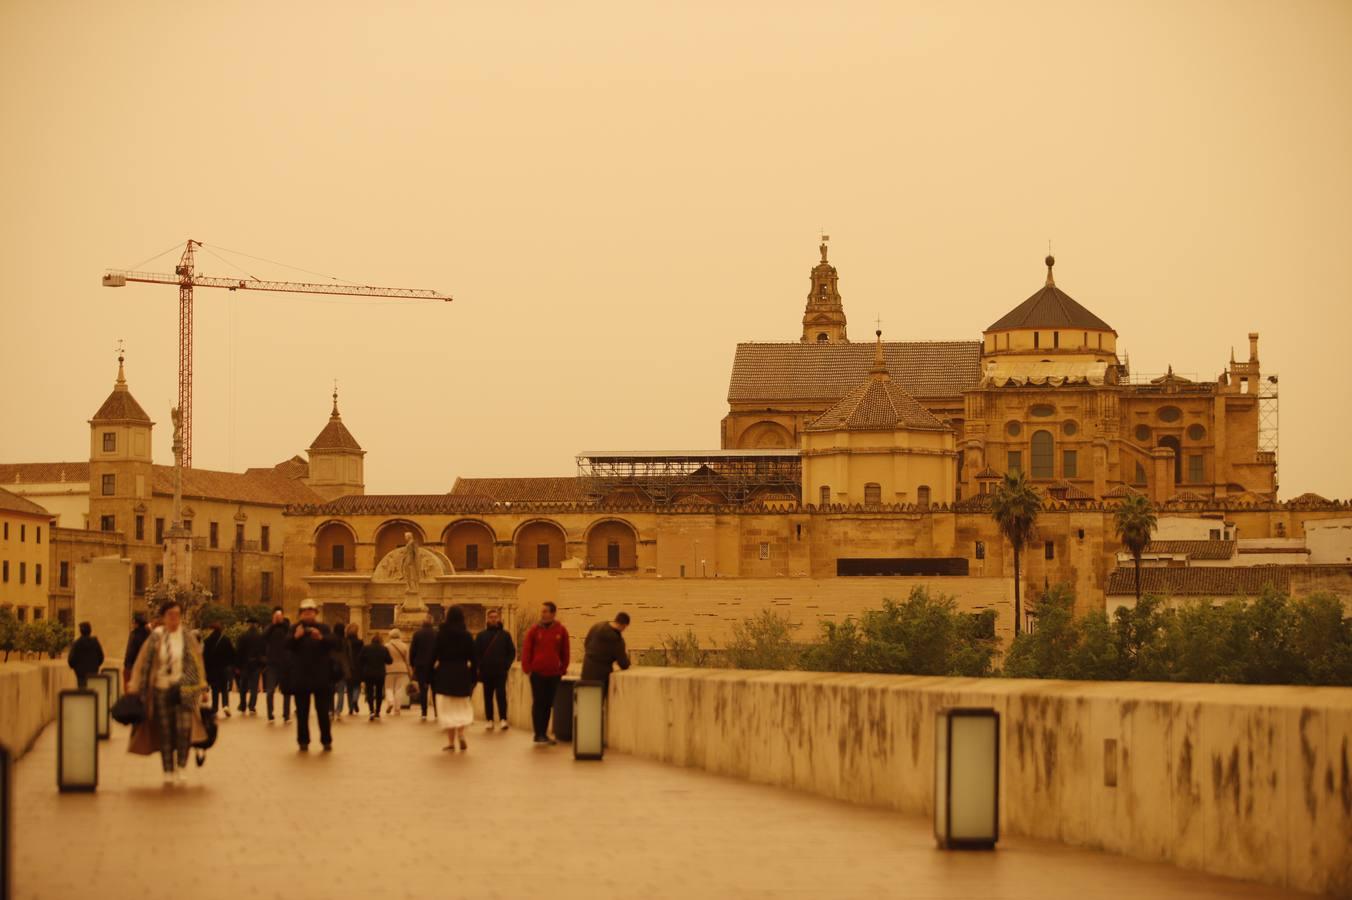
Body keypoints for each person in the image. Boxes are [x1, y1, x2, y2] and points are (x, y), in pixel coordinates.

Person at [126, 599, 209, 785]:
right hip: (161, 689)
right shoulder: (156, 637)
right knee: (165, 731)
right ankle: (168, 769)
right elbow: (142, 662)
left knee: (183, 729)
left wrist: (203, 687)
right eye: (171, 615)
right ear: (163, 617)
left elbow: (197, 663)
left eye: (177, 615)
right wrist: (135, 686)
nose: (174, 619)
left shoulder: (187, 637)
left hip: (183, 689)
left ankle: (181, 766)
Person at [287, 599, 336, 752]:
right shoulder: (295, 628)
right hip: (301, 677)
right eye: (305, 612)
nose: (308, 614)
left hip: (321, 677)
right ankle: (303, 741)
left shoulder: (323, 628)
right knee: (302, 713)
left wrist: (321, 638)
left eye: (311, 611)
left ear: (316, 613)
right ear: (300, 614)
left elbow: (335, 644)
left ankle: (326, 740)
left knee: (323, 712)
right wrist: (296, 637)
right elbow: (286, 645)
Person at [521, 601, 570, 746]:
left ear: (553, 613)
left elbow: (565, 652)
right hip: (537, 673)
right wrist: (527, 668)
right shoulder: (534, 630)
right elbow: (526, 650)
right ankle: (538, 733)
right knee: (538, 702)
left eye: (545, 611)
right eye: (542, 611)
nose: (542, 614)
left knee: (548, 703)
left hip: (554, 673)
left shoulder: (561, 631)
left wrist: (563, 668)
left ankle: (544, 733)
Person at [432, 605, 477, 752]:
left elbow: (434, 654)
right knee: (461, 707)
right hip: (461, 673)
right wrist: (473, 676)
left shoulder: (441, 634)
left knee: (447, 709)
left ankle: (451, 742)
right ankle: (461, 734)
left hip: (445, 673)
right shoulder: (467, 635)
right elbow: (473, 657)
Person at [473, 608, 516, 731]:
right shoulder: (481, 636)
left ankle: (503, 719)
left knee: (501, 695)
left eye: (495, 617)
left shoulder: (505, 635)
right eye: (491, 617)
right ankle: (490, 720)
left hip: (501, 672)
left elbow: (511, 652)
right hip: (486, 672)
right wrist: (480, 666)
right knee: (488, 697)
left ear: (498, 619)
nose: (493, 619)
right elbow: (476, 653)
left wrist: (506, 665)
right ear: (487, 619)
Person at [581, 612, 632, 694]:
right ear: (624, 625)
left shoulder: (597, 626)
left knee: (585, 702)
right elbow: (623, 663)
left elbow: (586, 644)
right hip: (600, 676)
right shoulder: (616, 639)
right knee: (597, 703)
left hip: (586, 671)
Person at [262, 607, 292, 724]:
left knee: (287, 691)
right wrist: (273, 625)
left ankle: (286, 715)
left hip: (285, 664)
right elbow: (263, 637)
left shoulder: (287, 627)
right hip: (272, 665)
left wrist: (282, 623)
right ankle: (270, 715)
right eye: (276, 616)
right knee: (269, 691)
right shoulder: (270, 628)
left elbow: (291, 636)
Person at [202, 620, 235, 717]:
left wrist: (206, 671)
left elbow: (205, 657)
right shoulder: (226, 640)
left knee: (215, 689)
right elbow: (232, 654)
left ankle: (215, 708)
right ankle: (225, 705)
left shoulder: (207, 641)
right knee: (224, 688)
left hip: (212, 670)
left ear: (212, 629)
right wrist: (230, 665)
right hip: (224, 669)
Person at [358, 632, 393, 721]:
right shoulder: (384, 649)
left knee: (369, 692)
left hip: (368, 673)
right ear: (381, 641)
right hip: (380, 674)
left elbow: (360, 660)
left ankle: (371, 710)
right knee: (379, 693)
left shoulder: (366, 648)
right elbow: (389, 661)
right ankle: (378, 711)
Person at [234, 617, 266, 715]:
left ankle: (242, 705)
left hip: (244, 665)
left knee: (243, 687)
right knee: (254, 687)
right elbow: (264, 651)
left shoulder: (243, 636)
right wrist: (262, 665)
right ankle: (252, 706)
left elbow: (238, 652)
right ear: (256, 625)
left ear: (248, 624)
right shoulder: (261, 637)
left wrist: (237, 666)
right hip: (256, 665)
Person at [409, 614, 438, 720]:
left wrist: (412, 664)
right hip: (434, 666)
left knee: (423, 690)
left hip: (421, 665)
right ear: (432, 622)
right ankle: (436, 712)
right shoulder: (437, 633)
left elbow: (413, 651)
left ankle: (424, 712)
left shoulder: (417, 634)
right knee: (435, 689)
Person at [66, 621, 105, 688]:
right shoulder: (95, 642)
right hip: (93, 674)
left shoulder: (77, 644)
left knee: (82, 693)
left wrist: (76, 668)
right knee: (93, 691)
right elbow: (101, 657)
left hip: (81, 676)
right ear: (90, 630)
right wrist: (95, 666)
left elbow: (71, 660)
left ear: (80, 631)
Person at [384, 627, 411, 716]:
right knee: (399, 689)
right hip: (402, 670)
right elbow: (407, 660)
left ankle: (390, 702)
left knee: (389, 688)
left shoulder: (386, 646)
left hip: (389, 669)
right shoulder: (404, 646)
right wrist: (409, 670)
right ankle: (397, 709)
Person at [330, 622, 354, 719]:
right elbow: (349, 655)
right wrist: (350, 667)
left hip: (331, 666)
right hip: (343, 667)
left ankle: (330, 710)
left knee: (330, 691)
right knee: (341, 691)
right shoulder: (346, 641)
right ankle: (338, 710)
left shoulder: (330, 640)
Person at [122, 613, 150, 691]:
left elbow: (130, 651)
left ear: (137, 623)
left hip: (133, 666)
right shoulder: (150, 634)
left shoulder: (134, 634)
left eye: (133, 622)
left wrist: (126, 665)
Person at [344, 623, 364, 716]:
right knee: (357, 686)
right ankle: (355, 699)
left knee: (349, 688)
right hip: (358, 666)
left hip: (347, 667)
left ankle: (350, 708)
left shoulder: (344, 642)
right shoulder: (360, 642)